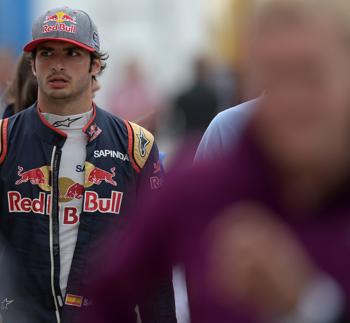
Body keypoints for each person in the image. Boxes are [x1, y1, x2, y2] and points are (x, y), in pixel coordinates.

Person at [85, 0, 350, 322]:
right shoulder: (197, 188)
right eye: (274, 76)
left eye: (310, 74)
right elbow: (108, 298)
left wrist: (310, 302)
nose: (291, 99)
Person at [0, 6, 176, 323]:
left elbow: (154, 265)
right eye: (47, 53)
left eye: (72, 53)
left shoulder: (137, 145)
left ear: (95, 65)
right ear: (33, 65)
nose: (58, 65)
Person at [173, 57, 219, 141]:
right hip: (206, 137)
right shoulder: (213, 97)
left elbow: (175, 123)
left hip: (188, 139)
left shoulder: (183, 98)